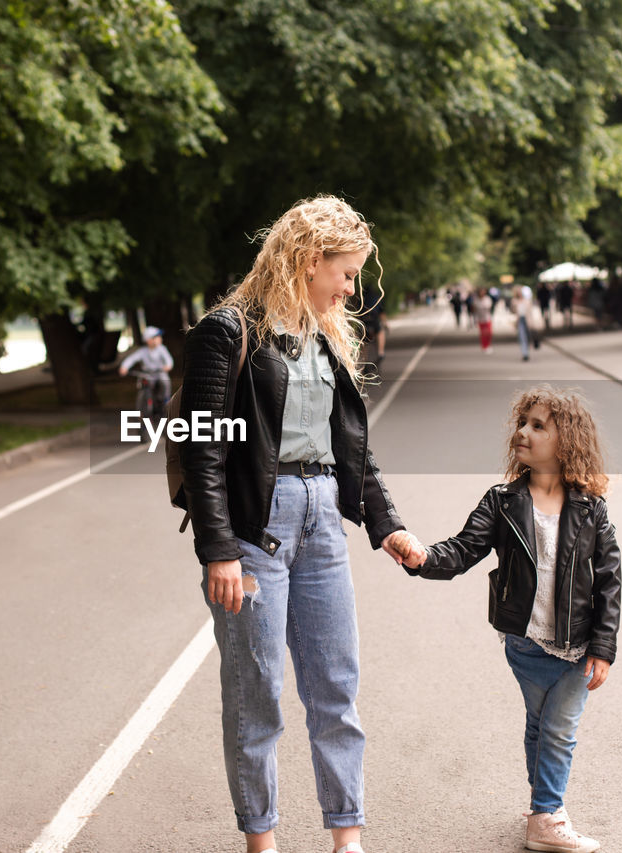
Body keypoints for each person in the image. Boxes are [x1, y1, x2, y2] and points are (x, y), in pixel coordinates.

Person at [179, 195, 415, 853]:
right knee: (258, 698)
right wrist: (218, 547)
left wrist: (386, 523)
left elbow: (351, 448)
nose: (350, 287)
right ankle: (263, 842)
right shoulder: (229, 332)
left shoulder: (326, 337)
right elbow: (201, 448)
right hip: (257, 530)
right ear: (311, 260)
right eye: (344, 272)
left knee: (336, 688)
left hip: (321, 523)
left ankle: (348, 839)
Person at [390, 385, 621, 853]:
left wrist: (603, 646)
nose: (523, 432)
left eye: (539, 426)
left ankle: (547, 815)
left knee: (557, 729)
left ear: (567, 441)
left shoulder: (591, 509)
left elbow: (610, 581)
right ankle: (544, 808)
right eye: (522, 423)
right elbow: (462, 549)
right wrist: (422, 557)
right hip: (525, 642)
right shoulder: (502, 501)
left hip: (577, 645)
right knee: (540, 725)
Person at [118, 325, 174, 419]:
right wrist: (124, 367)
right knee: (142, 386)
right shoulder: (143, 351)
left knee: (165, 382)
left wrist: (167, 366)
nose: (159, 339)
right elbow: (132, 359)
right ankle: (141, 409)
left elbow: (169, 361)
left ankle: (166, 402)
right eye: (156, 337)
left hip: (159, 372)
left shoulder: (162, 349)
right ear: (149, 340)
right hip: (147, 374)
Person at [512, 282, 536, 361]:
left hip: (527, 319)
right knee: (522, 337)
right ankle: (525, 353)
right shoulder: (514, 301)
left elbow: (530, 312)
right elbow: (513, 311)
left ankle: (527, 351)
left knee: (528, 337)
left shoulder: (527, 300)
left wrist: (532, 322)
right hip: (520, 320)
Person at [473, 286, 494, 353]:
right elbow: (475, 310)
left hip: (487, 318)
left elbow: (489, 307)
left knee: (489, 333)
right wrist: (475, 320)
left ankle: (488, 345)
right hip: (480, 319)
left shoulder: (487, 299)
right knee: (483, 334)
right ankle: (484, 346)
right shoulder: (476, 300)